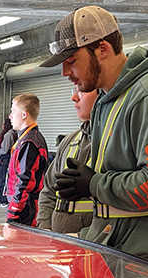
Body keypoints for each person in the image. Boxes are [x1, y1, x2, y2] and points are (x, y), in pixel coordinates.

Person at [40, 5, 148, 276]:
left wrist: (93, 183)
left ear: (102, 49)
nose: (65, 73)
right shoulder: (107, 99)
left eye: (71, 61)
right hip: (120, 246)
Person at [38, 86, 98, 234]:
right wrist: (45, 229)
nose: (74, 97)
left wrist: (83, 237)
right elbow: (48, 192)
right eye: (74, 90)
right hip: (60, 243)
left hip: (91, 246)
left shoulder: (115, 142)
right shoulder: (70, 141)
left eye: (82, 90)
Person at [5, 94, 48, 225]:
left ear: (24, 115)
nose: (10, 116)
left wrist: (14, 210)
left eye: (13, 111)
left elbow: (24, 180)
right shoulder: (25, 139)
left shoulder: (30, 142)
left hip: (26, 209)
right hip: (23, 205)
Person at [0, 118, 16, 204]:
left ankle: (3, 200)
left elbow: (5, 150)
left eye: (3, 124)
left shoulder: (8, 135)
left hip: (5, 159)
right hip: (7, 159)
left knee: (2, 179)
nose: (2, 126)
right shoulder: (13, 134)